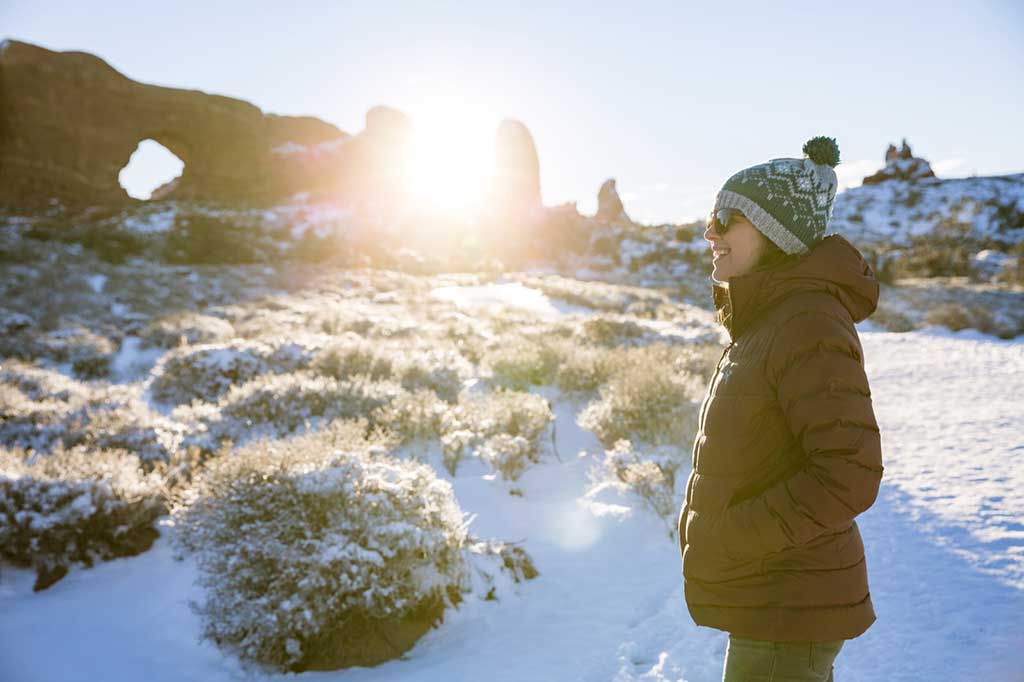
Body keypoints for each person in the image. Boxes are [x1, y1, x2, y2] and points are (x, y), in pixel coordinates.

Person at [677, 137, 885, 682]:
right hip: (776, 602)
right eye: (711, 217)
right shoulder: (772, 319)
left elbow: (849, 473)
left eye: (727, 217)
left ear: (774, 231)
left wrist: (732, 537)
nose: (710, 232)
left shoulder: (805, 322)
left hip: (786, 604)